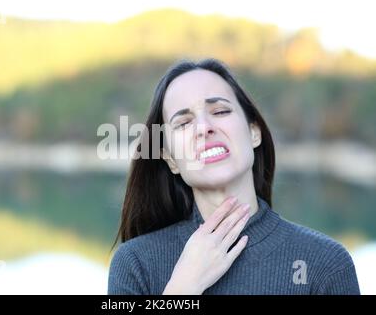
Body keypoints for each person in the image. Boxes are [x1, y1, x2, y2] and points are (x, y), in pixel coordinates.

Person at [107, 58, 360, 295]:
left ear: (254, 133)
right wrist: (183, 287)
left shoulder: (325, 263)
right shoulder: (136, 263)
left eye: (219, 111)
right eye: (183, 123)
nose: (204, 128)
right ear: (171, 160)